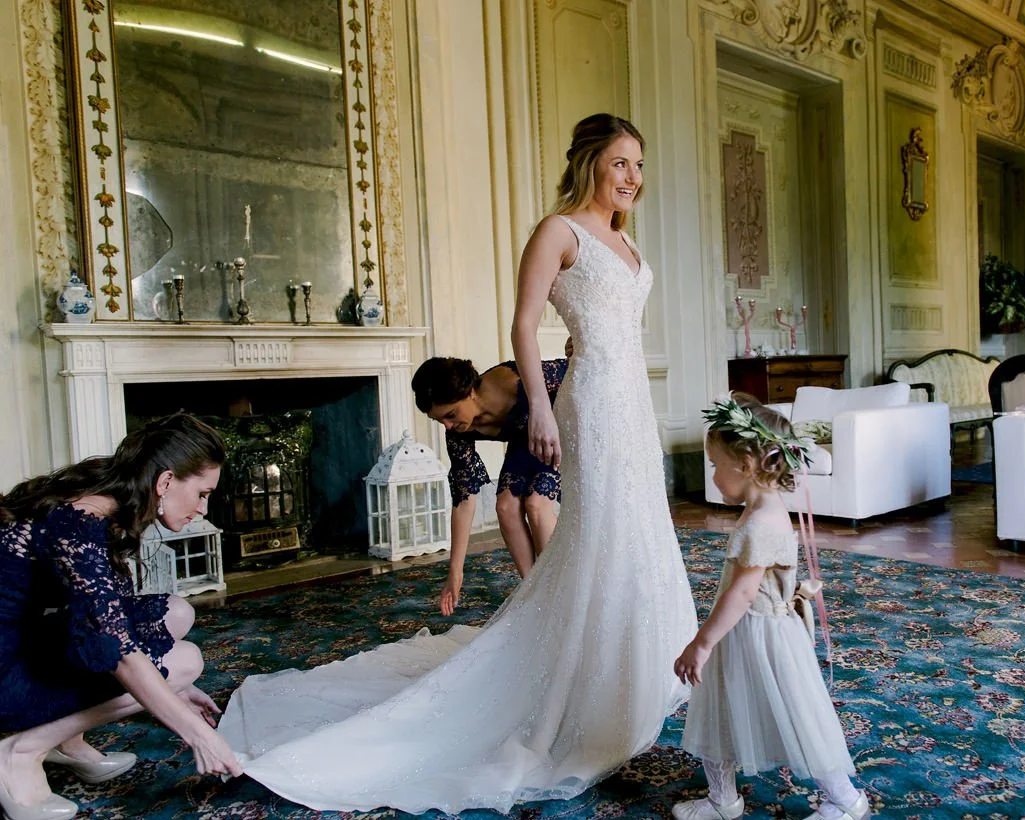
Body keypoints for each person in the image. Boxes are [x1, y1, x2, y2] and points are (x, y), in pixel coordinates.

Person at [217, 113, 698, 815]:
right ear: (591, 162)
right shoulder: (559, 231)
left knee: (640, 520)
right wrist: (538, 406)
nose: (632, 178)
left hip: (630, 401)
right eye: (620, 163)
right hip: (588, 399)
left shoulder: (624, 241)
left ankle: (641, 664)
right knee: (599, 527)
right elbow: (524, 327)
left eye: (639, 165)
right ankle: (586, 675)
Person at [0, 413, 243, 820]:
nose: (203, 509)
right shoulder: (78, 522)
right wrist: (196, 732)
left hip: (22, 635)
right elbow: (116, 650)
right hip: (5, 663)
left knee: (175, 612)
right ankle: (19, 753)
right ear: (165, 482)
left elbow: (103, 612)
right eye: (202, 493)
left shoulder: (108, 493)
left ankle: (68, 741)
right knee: (183, 662)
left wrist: (174, 694)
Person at [672, 394, 869, 820]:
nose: (713, 474)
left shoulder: (760, 524)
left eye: (715, 465)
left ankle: (845, 800)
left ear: (744, 467)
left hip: (762, 635)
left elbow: (742, 594)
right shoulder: (767, 510)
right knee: (720, 709)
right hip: (742, 632)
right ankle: (722, 798)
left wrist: (701, 644)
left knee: (799, 717)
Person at [411, 355, 568, 615]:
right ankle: (536, 597)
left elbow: (570, 373)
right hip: (524, 442)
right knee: (505, 507)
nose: (448, 426)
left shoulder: (511, 381)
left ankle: (561, 592)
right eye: (440, 421)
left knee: (536, 505)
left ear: (470, 392)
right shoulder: (458, 431)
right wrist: (455, 572)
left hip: (554, 428)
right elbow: (463, 500)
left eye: (450, 415)